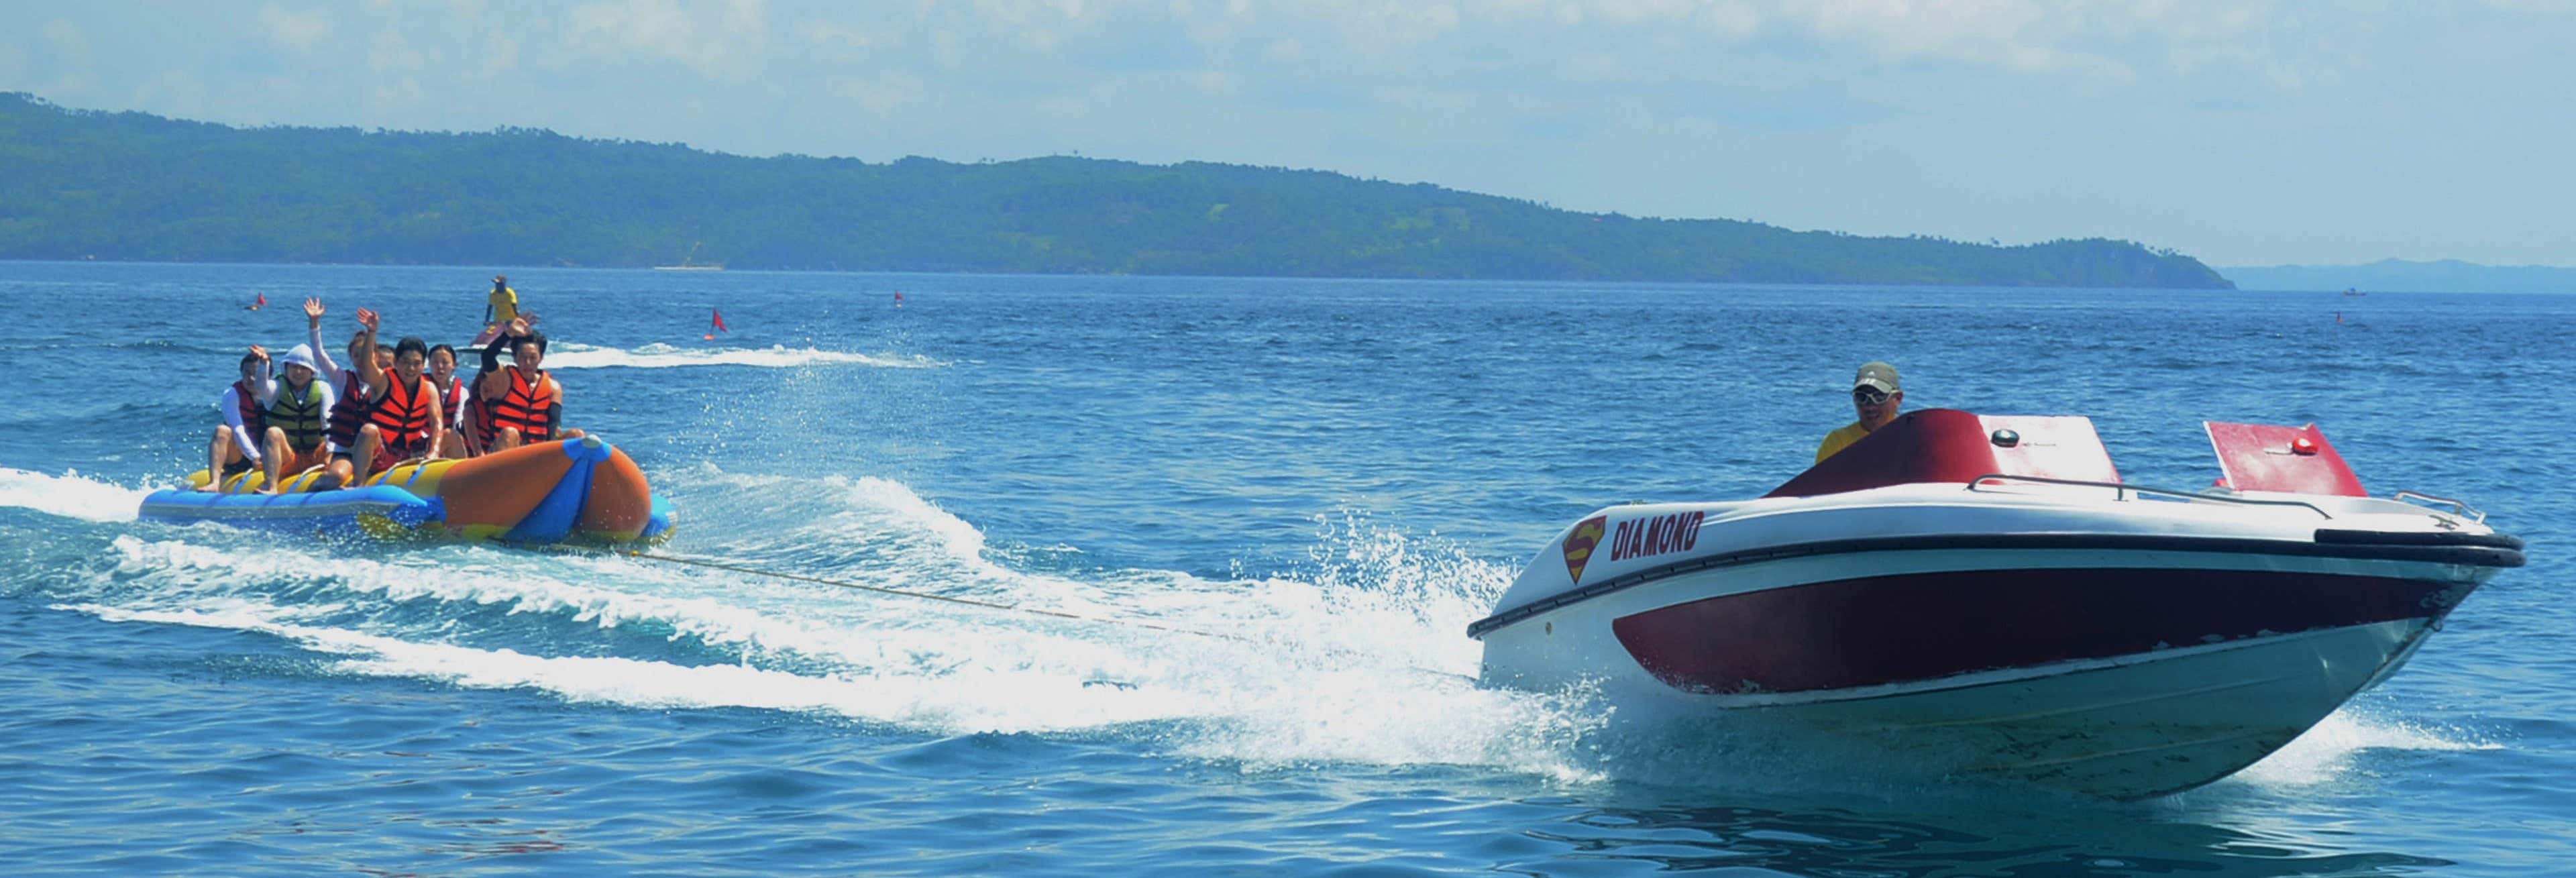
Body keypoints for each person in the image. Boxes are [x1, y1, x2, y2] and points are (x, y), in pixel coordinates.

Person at [345, 311, 443, 483]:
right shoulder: (384, 381)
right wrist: (372, 332)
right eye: (405, 362)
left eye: (416, 364)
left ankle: (461, 484)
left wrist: (434, 451)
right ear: (396, 362)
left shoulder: (429, 388)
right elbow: (366, 365)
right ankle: (358, 485)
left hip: (412, 452)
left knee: (450, 435)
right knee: (369, 431)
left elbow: (437, 422)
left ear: (423, 365)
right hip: (382, 454)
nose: (411, 368)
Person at [474, 317, 582, 451]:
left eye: (533, 357)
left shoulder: (553, 388)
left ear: (541, 358)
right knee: (510, 433)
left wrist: (550, 456)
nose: (528, 363)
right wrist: (508, 334)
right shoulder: (505, 379)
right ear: (515, 358)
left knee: (577, 435)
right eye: (523, 357)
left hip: (535, 454)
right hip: (502, 453)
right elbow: (487, 358)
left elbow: (554, 426)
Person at [258, 343, 337, 492]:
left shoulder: (322, 388)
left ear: (313, 371)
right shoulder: (276, 388)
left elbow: (329, 420)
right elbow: (261, 387)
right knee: (273, 432)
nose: (298, 372)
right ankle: (272, 486)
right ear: (286, 368)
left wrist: (331, 452)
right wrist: (264, 364)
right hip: (289, 456)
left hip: (317, 454)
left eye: (304, 368)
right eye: (294, 367)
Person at [202, 347, 273, 491]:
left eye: (255, 374)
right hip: (240, 455)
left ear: (267, 375)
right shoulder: (232, 395)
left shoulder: (275, 392)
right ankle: (215, 482)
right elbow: (238, 429)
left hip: (270, 453)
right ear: (241, 373)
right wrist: (255, 457)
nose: (251, 379)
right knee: (222, 430)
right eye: (247, 373)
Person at [1815, 362, 1902, 463]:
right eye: (1861, 397)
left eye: (1879, 397)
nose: (1870, 407)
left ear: (1898, 399)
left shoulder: (1913, 437)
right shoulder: (1837, 442)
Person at [427, 343, 473, 458]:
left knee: (452, 435)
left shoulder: (462, 393)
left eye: (445, 362)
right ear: (429, 364)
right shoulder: (420, 387)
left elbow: (457, 425)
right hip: (420, 442)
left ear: (454, 365)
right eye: (435, 362)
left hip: (447, 441)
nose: (440, 367)